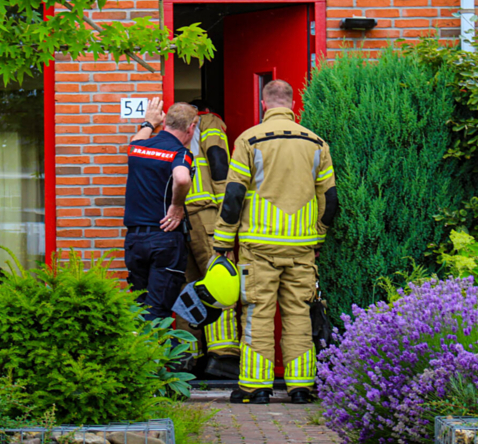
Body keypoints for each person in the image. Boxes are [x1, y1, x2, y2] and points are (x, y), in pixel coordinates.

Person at [212, 80, 339, 404]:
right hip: (302, 247)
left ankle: (256, 388)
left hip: (259, 246)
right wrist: (318, 237)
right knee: (299, 313)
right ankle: (300, 388)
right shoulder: (316, 143)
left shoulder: (249, 140)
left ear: (264, 104)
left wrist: (222, 242)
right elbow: (331, 199)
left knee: (257, 313)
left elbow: (234, 195)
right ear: (293, 104)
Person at [123, 98, 198, 322]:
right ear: (191, 128)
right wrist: (176, 207)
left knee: (139, 305)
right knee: (158, 311)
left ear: (164, 122)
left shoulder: (138, 148)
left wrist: (148, 122)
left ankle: (138, 353)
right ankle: (158, 356)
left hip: (135, 240)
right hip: (164, 239)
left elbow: (136, 140)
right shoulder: (179, 153)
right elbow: (182, 178)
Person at [180, 99, 240, 377]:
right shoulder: (211, 122)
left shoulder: (168, 129)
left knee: (188, 286)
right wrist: (227, 215)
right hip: (206, 214)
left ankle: (187, 356)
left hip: (179, 216)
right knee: (219, 283)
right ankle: (222, 356)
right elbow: (219, 164)